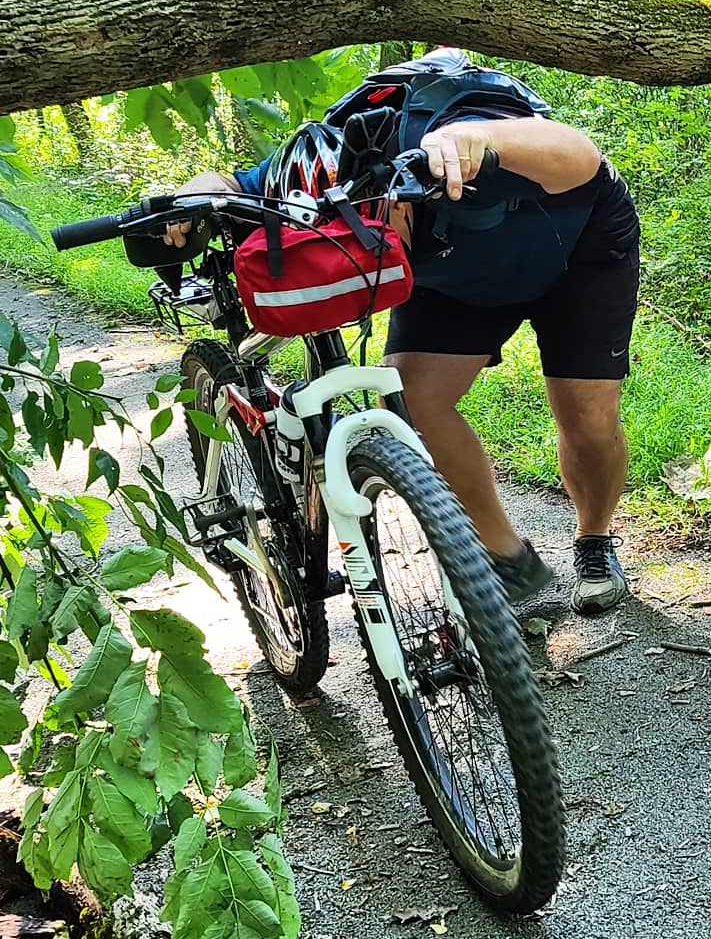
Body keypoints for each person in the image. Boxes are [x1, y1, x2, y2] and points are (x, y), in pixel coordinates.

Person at [168, 71, 640, 616]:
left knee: (587, 416)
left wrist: (480, 141)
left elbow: (579, 153)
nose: (353, 242)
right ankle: (507, 558)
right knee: (414, 399)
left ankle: (595, 541)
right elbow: (228, 187)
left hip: (580, 249)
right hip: (452, 274)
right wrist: (193, 195)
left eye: (364, 224)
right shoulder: (309, 169)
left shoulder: (443, 142)